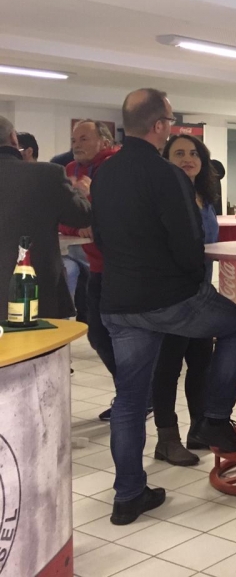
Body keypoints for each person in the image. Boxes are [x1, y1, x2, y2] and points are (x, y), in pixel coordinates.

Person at [91, 88, 236, 525]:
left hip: (119, 302)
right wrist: (192, 283)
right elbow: (187, 242)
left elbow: (99, 235)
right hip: (168, 296)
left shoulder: (105, 173)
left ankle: (128, 496)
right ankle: (214, 418)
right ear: (160, 126)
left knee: (129, 402)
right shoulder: (167, 176)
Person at [151, 134, 219, 466]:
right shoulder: (163, 196)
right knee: (168, 368)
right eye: (179, 153)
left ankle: (199, 429)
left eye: (193, 153)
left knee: (201, 364)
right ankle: (167, 439)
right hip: (172, 297)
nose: (188, 158)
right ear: (165, 160)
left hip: (200, 294)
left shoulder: (206, 198)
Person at [0, 114, 91, 318]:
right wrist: (80, 192)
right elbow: (81, 217)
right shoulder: (48, 174)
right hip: (38, 295)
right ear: (13, 138)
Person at [60, 119, 120, 420]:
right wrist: (81, 226)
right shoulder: (70, 171)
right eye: (74, 139)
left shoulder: (117, 167)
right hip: (96, 266)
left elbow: (121, 214)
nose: (76, 144)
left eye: (84, 138)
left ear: (104, 141)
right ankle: (132, 393)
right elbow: (62, 218)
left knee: (121, 336)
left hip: (124, 268)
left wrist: (91, 199)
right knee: (97, 334)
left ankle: (136, 396)